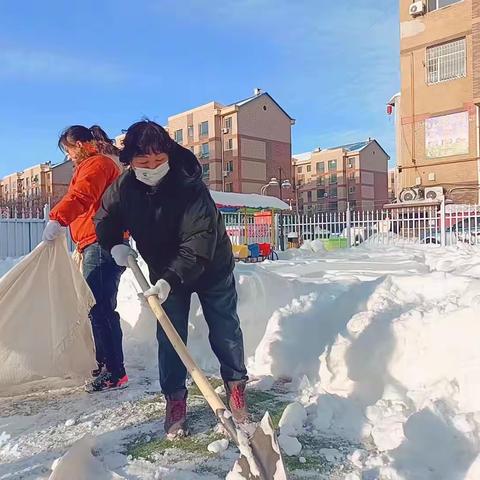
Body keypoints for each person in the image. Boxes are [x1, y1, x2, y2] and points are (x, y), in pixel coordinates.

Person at [94, 120, 249, 438]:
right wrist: (116, 245)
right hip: (162, 268)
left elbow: (197, 244)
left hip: (210, 267)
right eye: (143, 162)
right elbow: (105, 217)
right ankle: (175, 400)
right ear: (130, 162)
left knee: (225, 330)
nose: (151, 168)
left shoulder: (189, 185)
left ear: (168, 154)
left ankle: (236, 390)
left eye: (157, 160)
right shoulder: (125, 187)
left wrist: (169, 280)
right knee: (170, 335)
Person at [42, 125, 128, 392]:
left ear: (79, 144)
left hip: (101, 243)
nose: (68, 157)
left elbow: (81, 196)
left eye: (68, 150)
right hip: (93, 242)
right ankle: (106, 364)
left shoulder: (97, 164)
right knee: (97, 307)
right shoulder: (95, 164)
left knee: (101, 307)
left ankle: (115, 372)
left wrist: (58, 219)